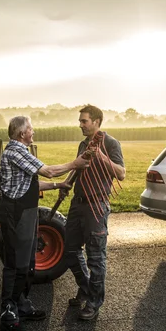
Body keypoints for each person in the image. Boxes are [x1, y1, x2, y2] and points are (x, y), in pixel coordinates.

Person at [0, 115, 88, 331]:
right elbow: (47, 170)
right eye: (31, 129)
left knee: (28, 264)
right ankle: (8, 315)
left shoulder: (21, 152)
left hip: (26, 213)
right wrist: (75, 164)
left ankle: (22, 306)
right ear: (22, 133)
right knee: (16, 265)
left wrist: (60, 184)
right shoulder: (15, 151)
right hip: (15, 214)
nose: (33, 132)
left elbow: (33, 182)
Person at [62, 105, 126, 320]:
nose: (80, 124)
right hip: (77, 204)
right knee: (70, 250)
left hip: (96, 206)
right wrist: (66, 183)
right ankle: (86, 287)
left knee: (96, 257)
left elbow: (122, 174)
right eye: (80, 121)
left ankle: (94, 302)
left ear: (97, 121)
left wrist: (100, 156)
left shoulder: (110, 143)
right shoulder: (82, 144)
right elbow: (79, 168)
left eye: (84, 121)